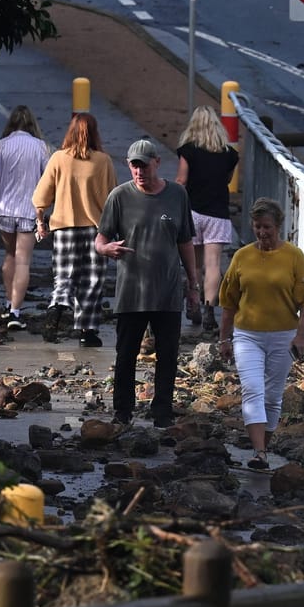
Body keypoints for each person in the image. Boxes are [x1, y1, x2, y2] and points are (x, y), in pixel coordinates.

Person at [96, 139, 197, 427]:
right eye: (134, 165)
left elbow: (186, 242)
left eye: (144, 165)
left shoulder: (177, 195)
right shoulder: (119, 196)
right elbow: (100, 239)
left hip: (167, 291)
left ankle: (162, 411)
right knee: (126, 354)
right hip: (131, 292)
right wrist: (106, 250)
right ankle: (122, 411)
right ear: (129, 165)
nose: (139, 171)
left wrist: (193, 284)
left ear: (157, 163)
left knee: (168, 355)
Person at [217, 198, 304, 470]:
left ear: (278, 227)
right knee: (252, 388)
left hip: (282, 335)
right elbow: (228, 302)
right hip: (247, 335)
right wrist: (224, 338)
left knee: (273, 396)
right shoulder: (242, 256)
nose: (262, 233)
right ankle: (259, 452)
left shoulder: (293, 256)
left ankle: (263, 445)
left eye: (268, 227)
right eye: (257, 227)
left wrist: (301, 335)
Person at [31, 112, 117, 347]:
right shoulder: (103, 161)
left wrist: (41, 222)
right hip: (96, 229)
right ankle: (87, 331)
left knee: (64, 277)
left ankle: (56, 308)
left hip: (64, 228)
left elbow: (40, 197)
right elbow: (112, 198)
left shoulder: (58, 159)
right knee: (92, 280)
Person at [0, 105, 50, 330]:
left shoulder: (0, 145)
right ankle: (15, 312)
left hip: (4, 209)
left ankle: (8, 302)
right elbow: (49, 178)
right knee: (23, 260)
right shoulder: (40, 147)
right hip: (29, 210)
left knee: (9, 255)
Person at [174, 105, 241, 332]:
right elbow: (227, 179)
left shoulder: (188, 150)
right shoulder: (229, 155)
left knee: (193, 265)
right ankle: (210, 310)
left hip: (192, 212)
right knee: (213, 265)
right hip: (218, 214)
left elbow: (181, 181)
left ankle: (192, 304)